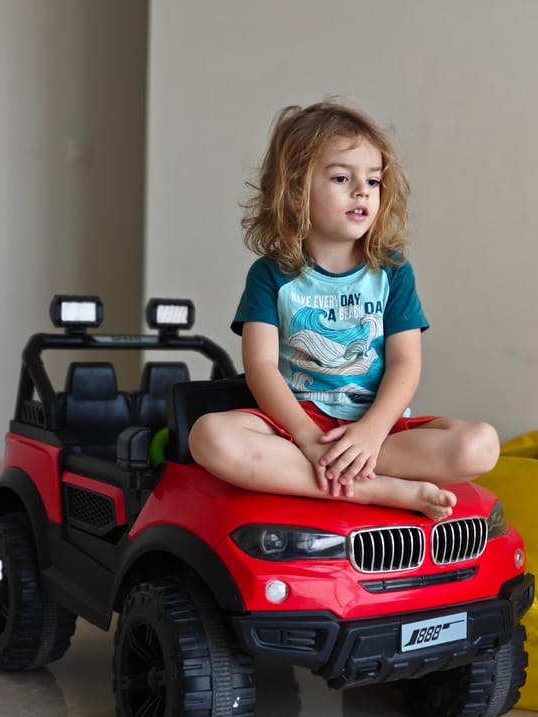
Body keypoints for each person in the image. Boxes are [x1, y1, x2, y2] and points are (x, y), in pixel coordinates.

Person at [188, 100, 499, 521]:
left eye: (372, 181)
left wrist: (370, 434)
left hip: (378, 426)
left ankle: (342, 470)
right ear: (296, 191)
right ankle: (375, 490)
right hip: (296, 425)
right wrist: (305, 437)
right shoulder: (270, 275)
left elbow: (405, 365)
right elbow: (260, 367)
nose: (362, 192)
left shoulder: (392, 272)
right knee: (209, 437)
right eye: (341, 177)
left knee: (481, 444)